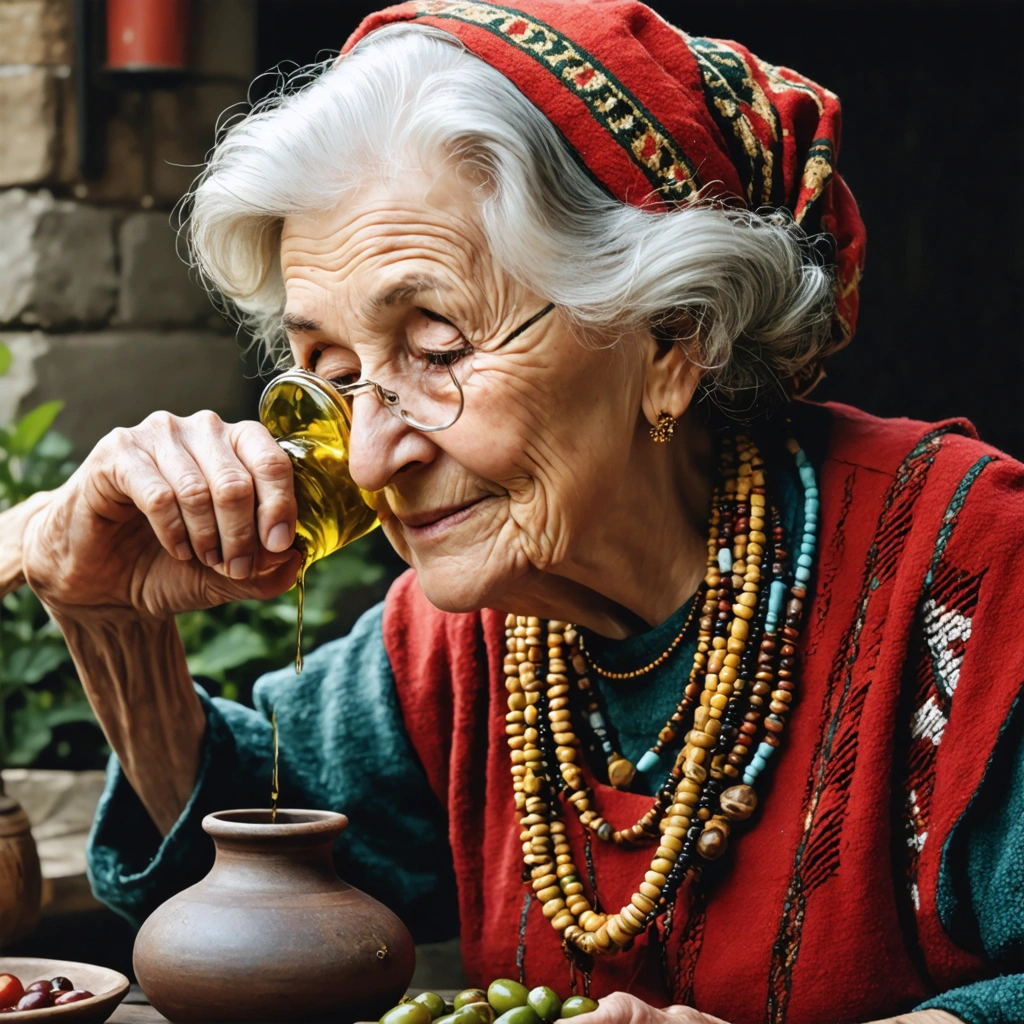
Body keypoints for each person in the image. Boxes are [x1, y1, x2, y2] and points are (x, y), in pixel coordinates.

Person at [1, 3, 1021, 1023]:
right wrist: (111, 622)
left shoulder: (971, 575)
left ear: (671, 339)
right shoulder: (461, 640)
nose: (370, 455)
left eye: (438, 348)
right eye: (332, 371)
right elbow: (241, 881)